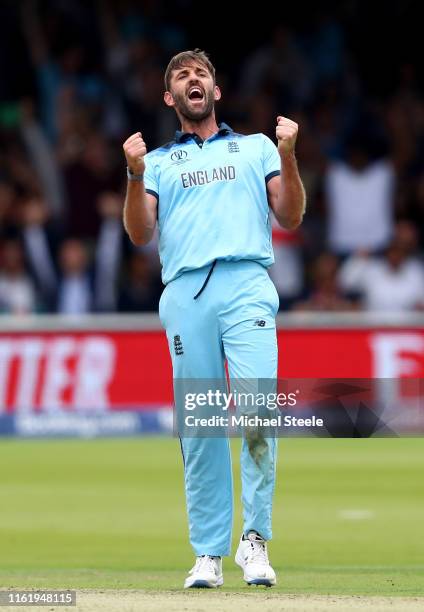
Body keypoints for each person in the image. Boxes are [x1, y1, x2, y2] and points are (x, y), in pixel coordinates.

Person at [122, 49, 305, 589]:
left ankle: (255, 541)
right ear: (169, 96)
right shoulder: (156, 162)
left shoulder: (254, 148)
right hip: (185, 294)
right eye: (181, 75)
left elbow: (291, 215)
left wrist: (289, 155)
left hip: (247, 284)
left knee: (255, 411)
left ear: (216, 91)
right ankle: (208, 553)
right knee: (200, 426)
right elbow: (138, 233)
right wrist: (133, 176)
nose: (192, 79)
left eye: (200, 73)